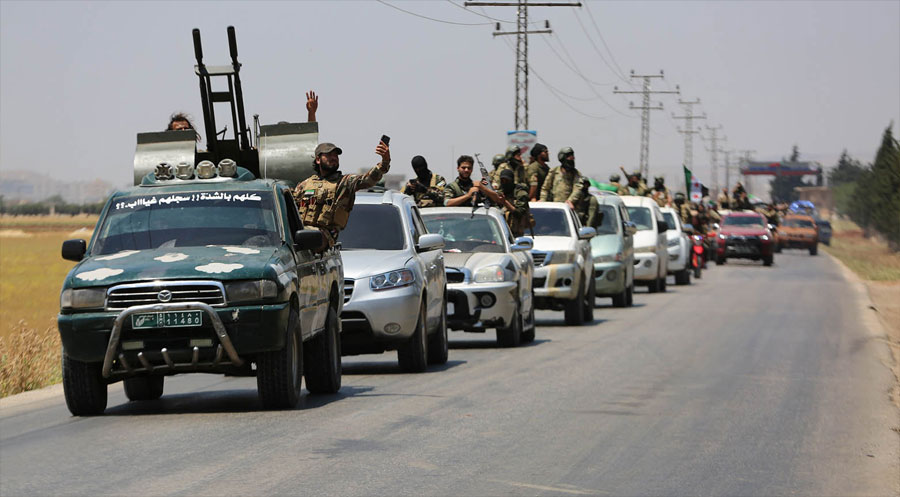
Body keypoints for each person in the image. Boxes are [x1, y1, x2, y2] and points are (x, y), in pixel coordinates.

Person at [294, 140, 391, 250]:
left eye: (336, 155)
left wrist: (385, 161)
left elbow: (369, 179)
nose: (334, 157)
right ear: (318, 159)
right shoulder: (305, 184)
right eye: (329, 155)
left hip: (323, 237)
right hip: (302, 232)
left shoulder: (345, 183)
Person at [497, 169, 533, 237]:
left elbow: (519, 213)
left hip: (517, 234)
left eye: (507, 181)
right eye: (502, 180)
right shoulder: (500, 192)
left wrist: (505, 202)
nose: (504, 183)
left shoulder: (521, 193)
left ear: (512, 181)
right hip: (501, 234)